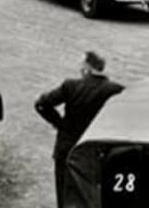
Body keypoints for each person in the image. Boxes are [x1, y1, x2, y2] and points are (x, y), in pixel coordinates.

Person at [35, 51, 124, 208]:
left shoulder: (71, 86)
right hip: (95, 149)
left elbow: (41, 104)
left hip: (67, 148)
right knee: (92, 192)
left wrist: (59, 123)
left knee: (64, 193)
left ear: (87, 68)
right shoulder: (115, 90)